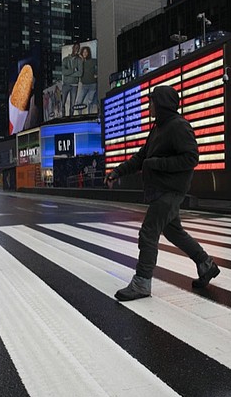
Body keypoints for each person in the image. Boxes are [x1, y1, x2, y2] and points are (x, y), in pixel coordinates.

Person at [104, 85, 220, 301]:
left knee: (148, 232)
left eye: (152, 101)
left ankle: (141, 283)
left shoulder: (179, 127)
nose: (149, 106)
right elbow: (140, 158)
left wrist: (156, 163)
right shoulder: (158, 128)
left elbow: (191, 158)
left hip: (171, 190)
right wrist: (116, 172)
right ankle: (206, 265)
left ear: (162, 104)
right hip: (161, 190)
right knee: (174, 232)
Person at [74, 46, 98, 113]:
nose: (84, 53)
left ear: (88, 53)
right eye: (83, 52)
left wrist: (96, 73)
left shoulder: (93, 61)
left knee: (89, 102)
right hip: (84, 85)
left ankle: (89, 116)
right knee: (79, 102)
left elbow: (99, 65)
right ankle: (80, 116)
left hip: (92, 84)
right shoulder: (80, 63)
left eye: (86, 52)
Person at [61, 43, 82, 116]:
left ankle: (71, 118)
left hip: (74, 85)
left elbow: (80, 73)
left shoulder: (79, 60)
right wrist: (73, 70)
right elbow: (63, 72)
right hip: (66, 84)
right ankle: (63, 117)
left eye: (78, 48)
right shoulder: (65, 59)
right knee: (62, 103)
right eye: (76, 47)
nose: (77, 49)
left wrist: (69, 73)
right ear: (73, 48)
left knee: (72, 105)